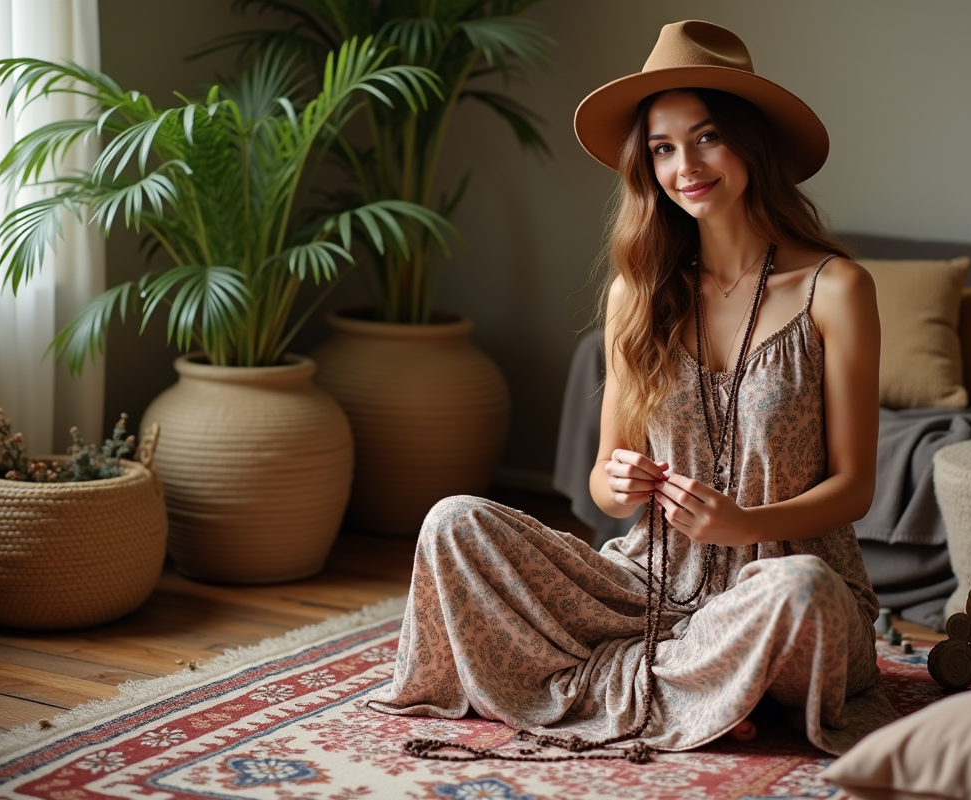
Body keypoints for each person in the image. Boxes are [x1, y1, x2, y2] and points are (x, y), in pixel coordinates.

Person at [368, 19, 896, 760]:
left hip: (779, 594)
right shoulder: (637, 294)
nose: (686, 165)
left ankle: (632, 685)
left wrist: (744, 525)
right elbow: (606, 487)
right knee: (452, 524)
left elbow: (855, 487)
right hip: (645, 587)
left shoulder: (835, 289)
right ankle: (706, 695)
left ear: (751, 142)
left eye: (707, 137)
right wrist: (618, 481)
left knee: (799, 589)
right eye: (662, 147)